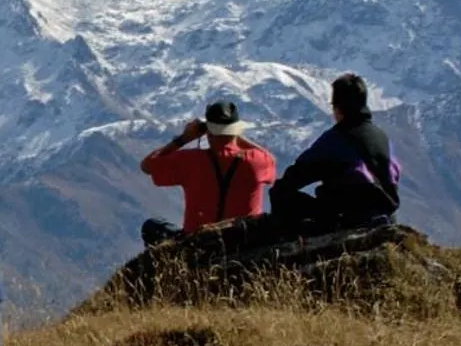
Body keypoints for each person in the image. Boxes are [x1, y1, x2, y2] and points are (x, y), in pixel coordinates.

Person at [269, 73, 400, 232]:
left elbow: (296, 176)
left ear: (338, 108)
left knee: (280, 193)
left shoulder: (336, 139)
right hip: (387, 215)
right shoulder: (382, 138)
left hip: (347, 218)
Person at [139, 100, 278, 247]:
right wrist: (235, 136)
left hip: (198, 242)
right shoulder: (256, 161)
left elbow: (147, 166)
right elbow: (271, 159)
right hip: (244, 240)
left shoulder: (190, 161)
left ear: (208, 132)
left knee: (152, 226)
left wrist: (184, 138)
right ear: (236, 130)